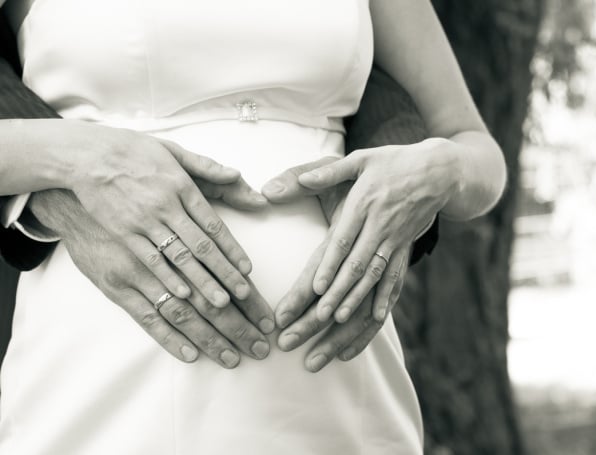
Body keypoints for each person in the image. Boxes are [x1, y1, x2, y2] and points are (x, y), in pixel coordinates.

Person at [0, 1, 506, 454]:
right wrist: (78, 158)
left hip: (342, 375)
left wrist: (439, 169)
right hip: (112, 350)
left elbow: (475, 149)